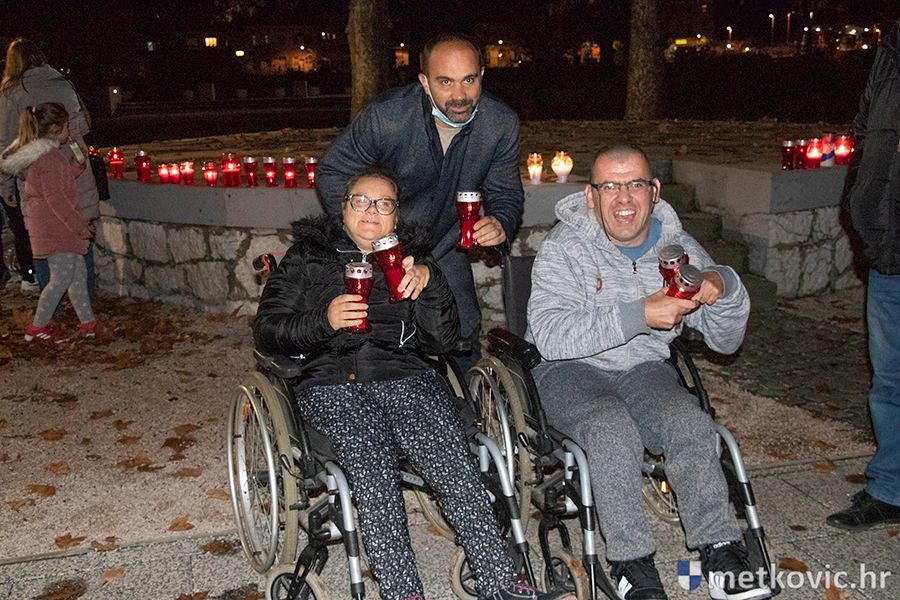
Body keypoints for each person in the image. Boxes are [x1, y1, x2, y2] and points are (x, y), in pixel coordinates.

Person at [253, 169, 552, 600]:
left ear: (396, 215)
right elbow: (268, 331)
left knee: (451, 458)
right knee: (370, 461)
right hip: (331, 380)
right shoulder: (307, 257)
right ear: (342, 208)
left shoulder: (412, 260)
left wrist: (431, 284)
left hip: (405, 376)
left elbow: (443, 341)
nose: (371, 211)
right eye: (360, 200)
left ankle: (500, 581)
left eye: (383, 203)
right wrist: (324, 319)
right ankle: (402, 591)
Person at [526, 145, 772, 600]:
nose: (624, 198)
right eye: (610, 186)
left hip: (643, 369)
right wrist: (639, 314)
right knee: (611, 427)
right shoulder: (565, 247)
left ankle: (720, 547)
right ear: (591, 196)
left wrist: (725, 286)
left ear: (654, 191)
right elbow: (550, 336)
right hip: (567, 371)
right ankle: (631, 561)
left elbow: (725, 342)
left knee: (689, 420)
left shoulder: (679, 250)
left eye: (635, 184)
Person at [316, 33, 525, 373]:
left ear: (482, 75)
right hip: (382, 245)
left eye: (469, 80)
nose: (460, 95)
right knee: (380, 335)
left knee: (462, 332)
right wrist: (369, 232)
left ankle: (466, 401)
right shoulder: (387, 117)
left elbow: (506, 193)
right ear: (425, 83)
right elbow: (332, 171)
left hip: (445, 246)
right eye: (445, 82)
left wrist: (500, 221)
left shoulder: (500, 124)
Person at [827, 20, 900, 531]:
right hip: (889, 248)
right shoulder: (893, 46)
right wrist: (861, 204)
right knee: (890, 379)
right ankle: (890, 488)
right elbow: (866, 124)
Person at [0, 37, 98, 293]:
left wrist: (6, 185)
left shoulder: (11, 94)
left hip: (35, 176)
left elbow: (5, 143)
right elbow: (84, 125)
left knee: (42, 239)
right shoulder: (64, 84)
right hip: (73, 168)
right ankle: (86, 296)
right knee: (80, 233)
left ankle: (50, 301)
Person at [0, 102, 96, 343]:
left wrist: (77, 163)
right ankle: (37, 327)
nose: (70, 130)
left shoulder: (46, 157)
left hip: (52, 226)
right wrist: (79, 227)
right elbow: (57, 199)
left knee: (77, 275)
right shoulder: (49, 159)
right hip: (56, 229)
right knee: (61, 279)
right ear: (54, 129)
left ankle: (88, 322)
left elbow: (60, 182)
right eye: (67, 126)